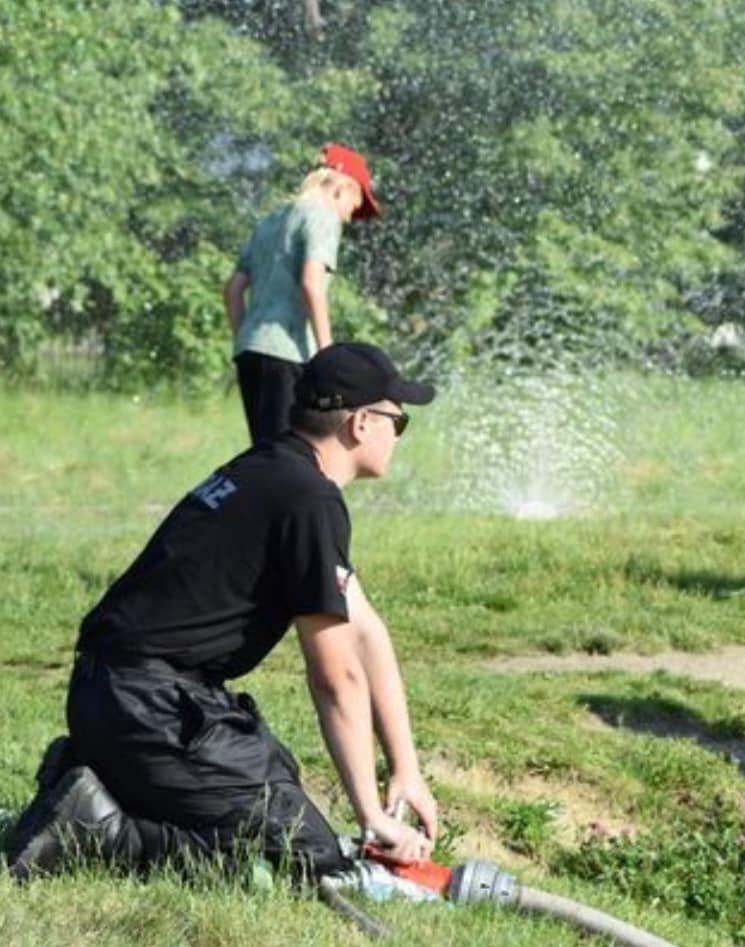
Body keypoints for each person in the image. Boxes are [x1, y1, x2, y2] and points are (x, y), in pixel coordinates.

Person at [5, 342, 437, 884]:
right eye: (399, 422)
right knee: (305, 857)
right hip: (148, 707)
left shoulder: (274, 468)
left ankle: (92, 780)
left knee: (278, 776)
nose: (398, 436)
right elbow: (336, 677)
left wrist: (405, 770)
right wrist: (370, 814)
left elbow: (366, 631)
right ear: (361, 422)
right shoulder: (307, 498)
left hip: (117, 697)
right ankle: (102, 832)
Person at [224, 144, 380, 443]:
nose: (350, 216)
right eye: (354, 203)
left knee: (267, 449)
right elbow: (311, 283)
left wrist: (244, 339)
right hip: (289, 352)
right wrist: (327, 353)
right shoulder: (323, 216)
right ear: (341, 189)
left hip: (250, 350)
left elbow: (233, 290)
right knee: (290, 453)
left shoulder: (270, 221)